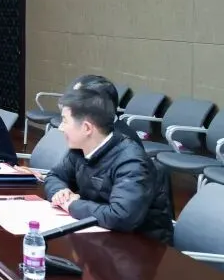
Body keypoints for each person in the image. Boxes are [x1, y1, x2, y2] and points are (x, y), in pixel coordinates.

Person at [45, 88, 173, 244]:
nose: (60, 127)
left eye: (65, 121)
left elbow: (121, 216)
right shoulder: (80, 150)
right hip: (100, 235)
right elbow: (55, 176)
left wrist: (72, 205)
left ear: (87, 128)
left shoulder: (131, 161)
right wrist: (60, 192)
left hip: (141, 245)